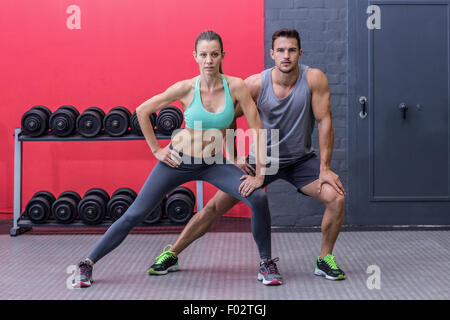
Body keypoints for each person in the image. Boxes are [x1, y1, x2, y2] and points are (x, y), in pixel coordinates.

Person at [72, 30, 283, 288]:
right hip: (178, 160)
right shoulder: (185, 88)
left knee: (259, 197)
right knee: (135, 214)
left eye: (214, 54)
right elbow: (142, 111)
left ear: (222, 56)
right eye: (203, 55)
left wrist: (253, 170)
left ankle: (266, 263)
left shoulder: (236, 86)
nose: (209, 60)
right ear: (195, 56)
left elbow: (256, 129)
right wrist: (157, 150)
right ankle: (87, 263)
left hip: (214, 162)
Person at [149, 28, 347, 282]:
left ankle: (324, 259)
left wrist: (325, 168)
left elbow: (325, 121)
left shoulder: (314, 79)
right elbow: (227, 116)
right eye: (281, 51)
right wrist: (233, 156)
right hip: (261, 161)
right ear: (272, 54)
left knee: (337, 199)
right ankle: (172, 253)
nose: (286, 56)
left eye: (292, 50)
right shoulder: (256, 84)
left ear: (300, 53)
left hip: (300, 160)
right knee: (214, 208)